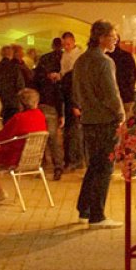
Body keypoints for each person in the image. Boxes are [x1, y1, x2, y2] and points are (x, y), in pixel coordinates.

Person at [73, 20, 125, 229]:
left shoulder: (80, 61)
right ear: (101, 38)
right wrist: (120, 113)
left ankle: (84, 209)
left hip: (88, 119)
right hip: (105, 120)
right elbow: (111, 93)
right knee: (104, 167)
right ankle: (97, 215)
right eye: (113, 36)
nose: (116, 40)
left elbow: (76, 91)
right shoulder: (104, 62)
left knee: (93, 165)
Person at [0, 88, 48, 204]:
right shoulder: (40, 116)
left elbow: (1, 137)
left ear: (20, 103)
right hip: (33, 157)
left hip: (15, 157)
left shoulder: (18, 118)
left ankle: (0, 191)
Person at [34, 37, 65, 180]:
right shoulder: (61, 63)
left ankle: (40, 166)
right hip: (52, 107)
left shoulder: (42, 64)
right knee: (53, 140)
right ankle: (58, 167)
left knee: (39, 138)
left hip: (39, 107)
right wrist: (61, 114)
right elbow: (59, 95)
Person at [61, 31, 85, 170]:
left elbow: (77, 83)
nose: (66, 47)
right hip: (68, 93)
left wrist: (76, 104)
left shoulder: (79, 56)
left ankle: (76, 159)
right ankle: (73, 159)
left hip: (74, 96)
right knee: (71, 130)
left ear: (73, 42)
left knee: (75, 131)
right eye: (64, 44)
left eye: (68, 44)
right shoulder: (64, 55)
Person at [0, 45, 25, 122]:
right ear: (11, 54)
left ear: (1, 54)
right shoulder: (15, 68)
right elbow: (20, 85)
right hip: (12, 102)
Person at [107, 39, 136, 119]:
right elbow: (134, 74)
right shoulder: (127, 56)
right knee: (125, 119)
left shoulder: (105, 57)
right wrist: (130, 88)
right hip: (126, 96)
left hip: (110, 97)